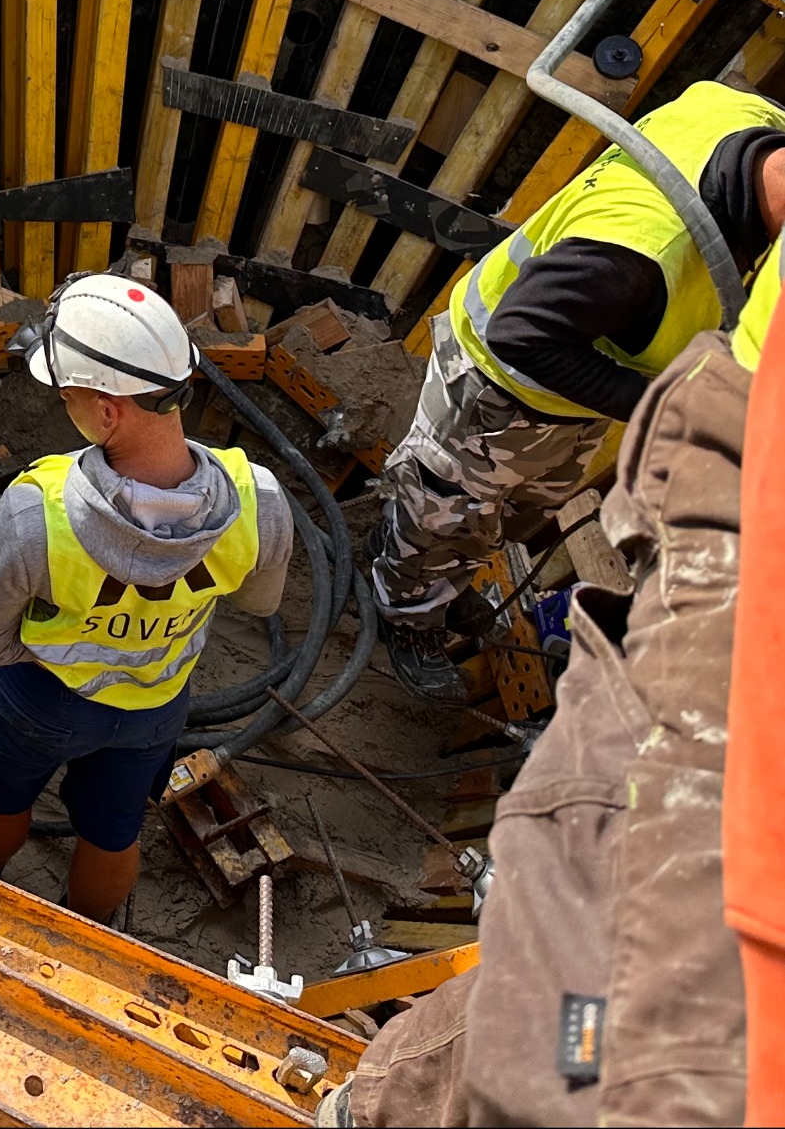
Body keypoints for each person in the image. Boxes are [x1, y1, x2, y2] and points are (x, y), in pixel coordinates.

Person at [320, 238, 779, 1129]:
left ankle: (367, 1110)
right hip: (525, 405)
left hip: (676, 492)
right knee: (582, 984)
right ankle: (406, 607)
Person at [371, 78, 785, 700]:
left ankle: (444, 580)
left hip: (573, 389)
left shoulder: (745, 113)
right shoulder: (641, 251)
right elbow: (520, 333)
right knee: (445, 509)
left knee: (508, 514)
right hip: (497, 390)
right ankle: (405, 610)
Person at [0, 274, 292, 923]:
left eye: (68, 396)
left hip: (39, 700)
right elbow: (262, 605)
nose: (64, 406)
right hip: (154, 702)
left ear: (106, 412)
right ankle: (87, 936)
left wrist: (59, 649)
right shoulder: (258, 498)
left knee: (0, 798)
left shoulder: (36, 511)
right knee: (112, 830)